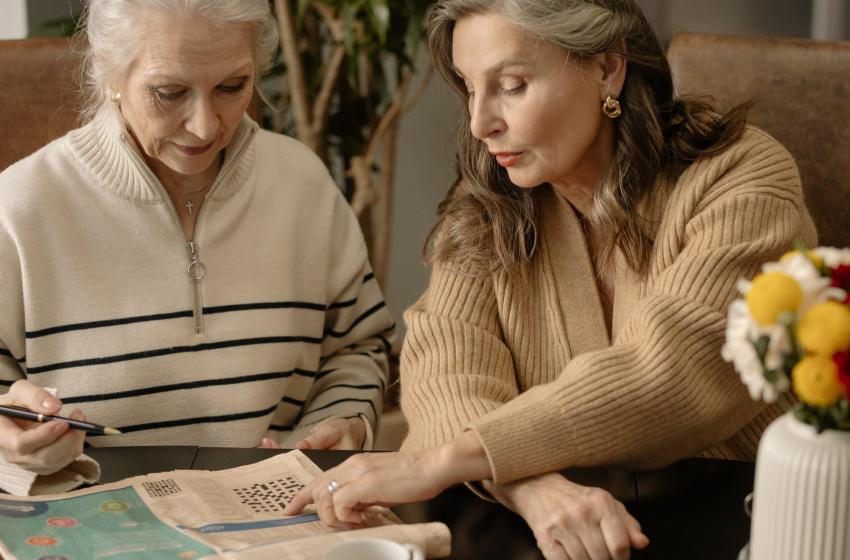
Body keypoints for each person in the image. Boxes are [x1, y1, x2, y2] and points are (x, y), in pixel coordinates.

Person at [284, 0, 817, 558]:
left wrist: (439, 460)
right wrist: (534, 489)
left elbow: (678, 369)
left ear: (607, 68)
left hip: (752, 523)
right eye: (470, 87)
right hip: (562, 536)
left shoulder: (744, 176)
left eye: (511, 85)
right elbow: (446, 366)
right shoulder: (487, 203)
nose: (479, 122)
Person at [0, 0, 394, 497]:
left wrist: (345, 422)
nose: (206, 126)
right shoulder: (18, 209)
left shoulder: (303, 186)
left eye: (232, 87)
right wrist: (10, 450)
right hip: (90, 518)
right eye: (170, 93)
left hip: (283, 512)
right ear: (108, 68)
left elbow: (358, 346)